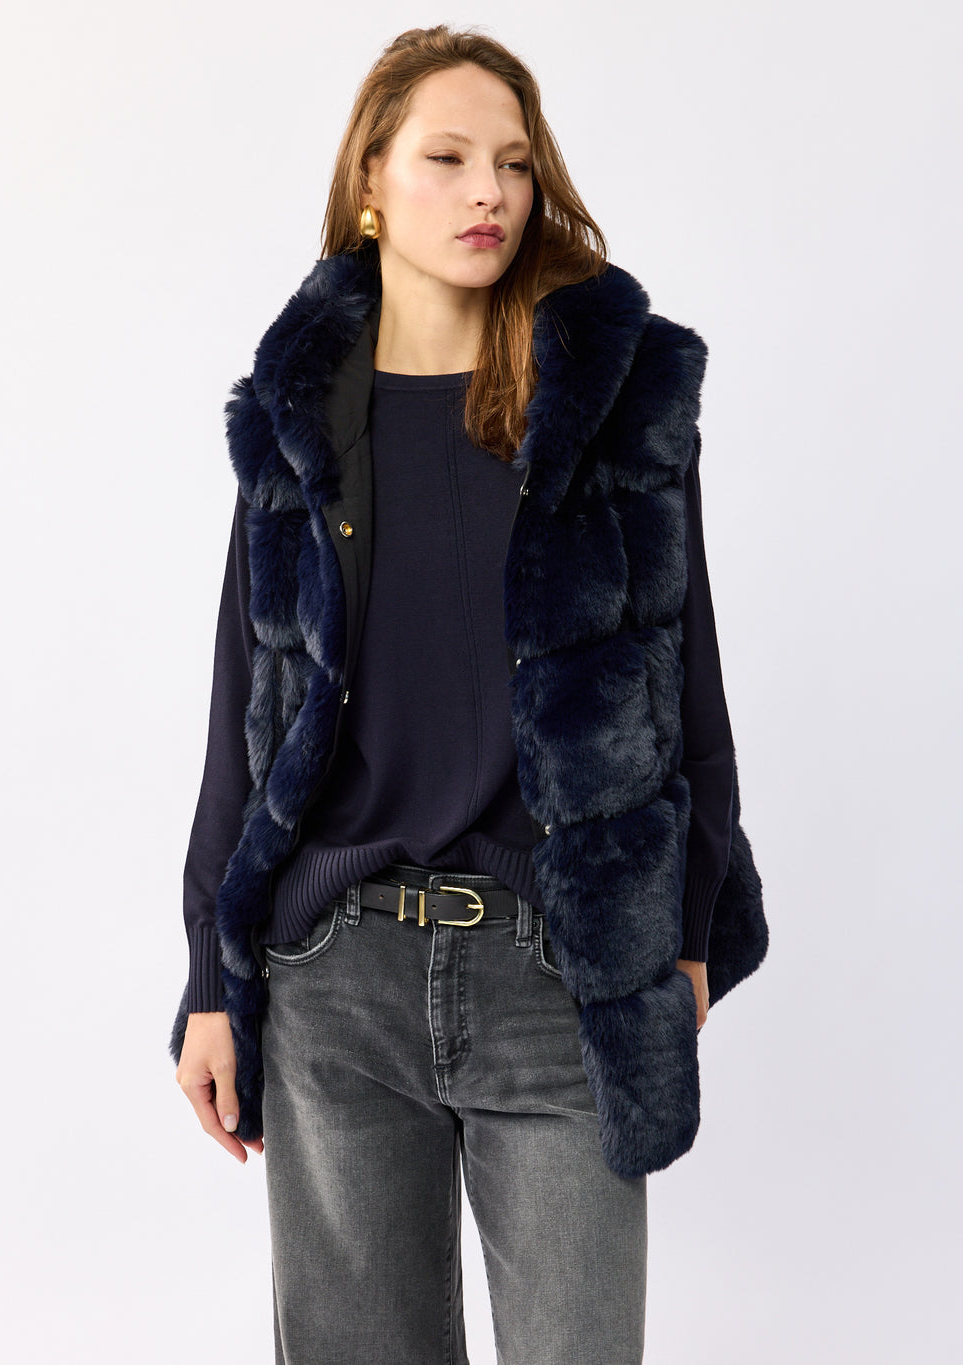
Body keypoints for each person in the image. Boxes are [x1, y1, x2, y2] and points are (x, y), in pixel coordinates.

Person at [171, 23, 767, 1365]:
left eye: (513, 161)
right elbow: (242, 713)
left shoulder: (609, 409)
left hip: (559, 964)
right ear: (371, 183)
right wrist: (211, 976)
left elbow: (689, 684)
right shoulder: (297, 421)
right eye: (448, 158)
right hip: (335, 978)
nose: (490, 191)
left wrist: (685, 933)